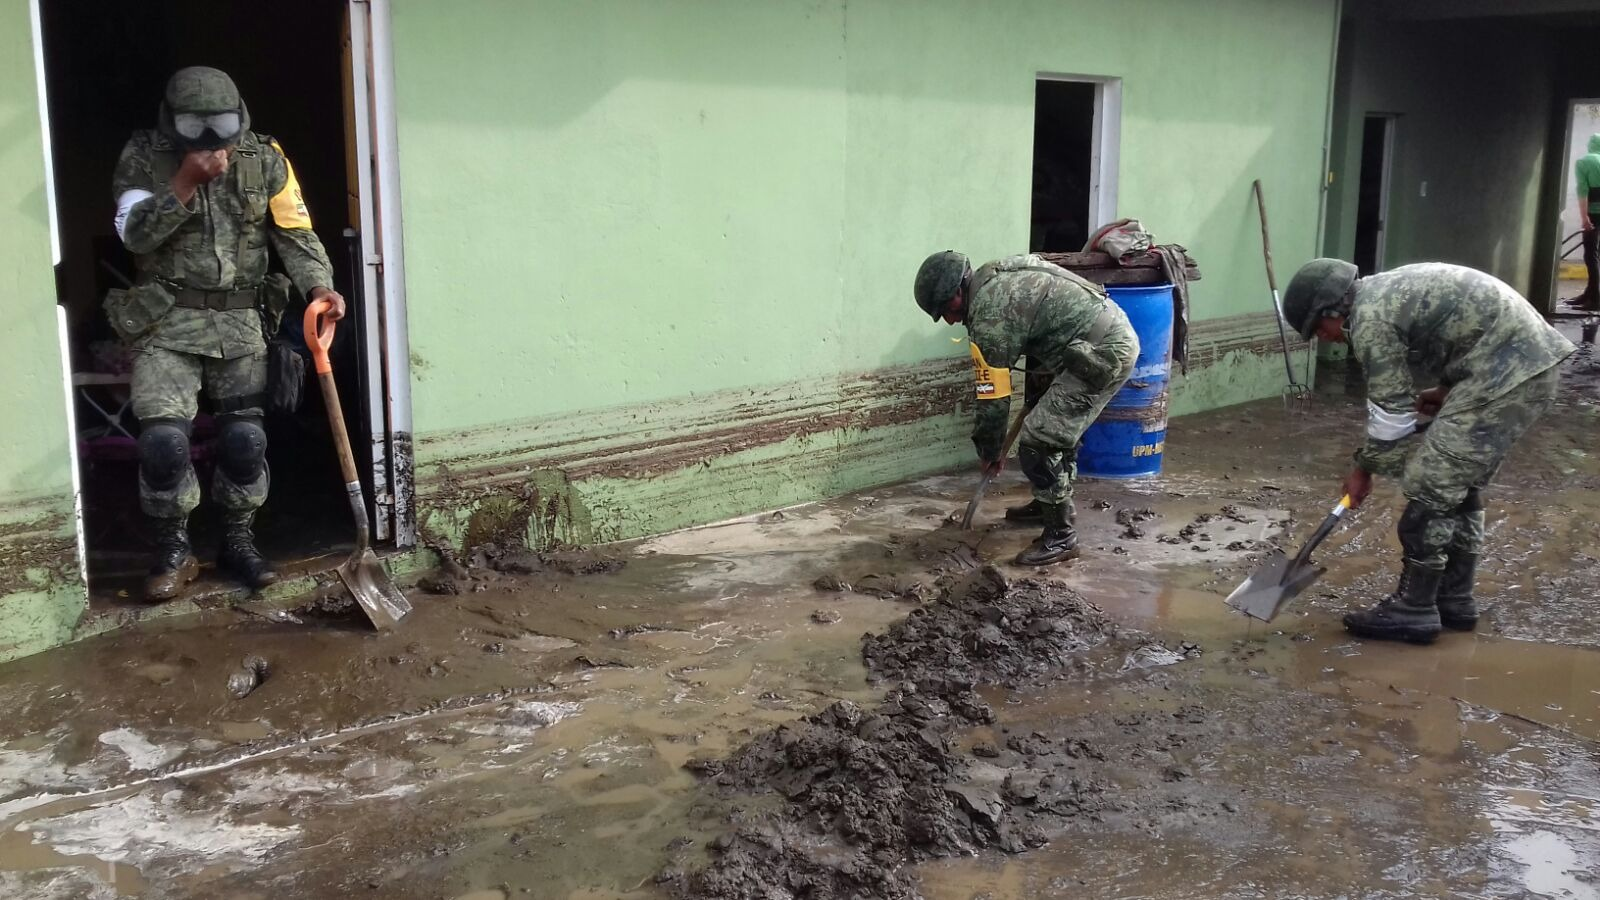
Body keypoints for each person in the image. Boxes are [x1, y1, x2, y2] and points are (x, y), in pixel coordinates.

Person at [109, 67, 346, 601]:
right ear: (174, 123)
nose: (214, 139)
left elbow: (295, 231)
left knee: (245, 441)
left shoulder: (264, 157)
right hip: (165, 321)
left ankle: (238, 542)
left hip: (241, 323)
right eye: (199, 127)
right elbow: (132, 236)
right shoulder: (145, 154)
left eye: (222, 125)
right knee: (164, 445)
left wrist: (319, 288)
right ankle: (174, 548)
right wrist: (186, 182)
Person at [1282, 259, 1574, 644]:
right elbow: (1466, 331)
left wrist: (1363, 469)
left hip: (1509, 374)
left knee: (1429, 486)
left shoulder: (1369, 318)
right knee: (1459, 487)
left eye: (1319, 329)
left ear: (1334, 310)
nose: (1326, 338)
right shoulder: (1384, 293)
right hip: (1521, 367)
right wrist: (1446, 390)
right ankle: (1454, 600)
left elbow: (1391, 411)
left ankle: (1414, 608)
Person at [914, 251, 1138, 565]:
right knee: (1050, 424)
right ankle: (1046, 504)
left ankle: (1061, 536)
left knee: (1039, 439)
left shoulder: (989, 313)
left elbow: (993, 400)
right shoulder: (992, 276)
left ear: (957, 292)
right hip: (1091, 341)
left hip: (1100, 352)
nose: (950, 320)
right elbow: (1040, 324)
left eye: (946, 310)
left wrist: (990, 452)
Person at [1571, 134, 1600, 310]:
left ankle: (1595, 299)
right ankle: (1589, 293)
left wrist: (1584, 218)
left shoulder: (1584, 162)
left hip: (1594, 214)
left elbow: (1583, 191)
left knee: (1591, 255)